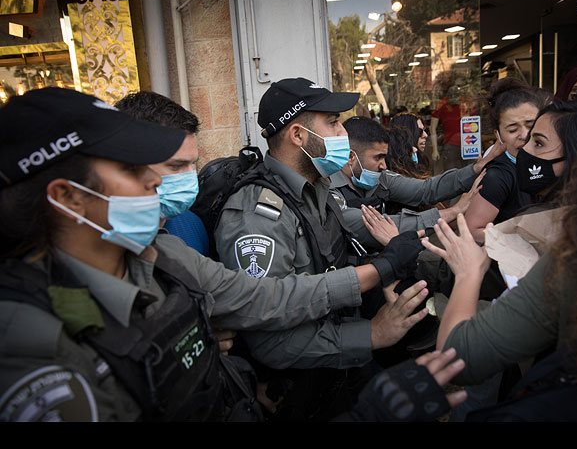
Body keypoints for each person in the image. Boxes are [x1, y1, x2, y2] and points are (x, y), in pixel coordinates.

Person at [0, 87, 419, 422]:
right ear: (70, 199)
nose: (154, 180)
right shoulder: (31, 351)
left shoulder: (163, 254)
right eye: (131, 168)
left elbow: (261, 298)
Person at [212, 77, 429, 421]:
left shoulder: (317, 189)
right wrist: (371, 334)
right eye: (332, 122)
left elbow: (341, 251)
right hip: (304, 393)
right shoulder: (258, 215)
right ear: (298, 135)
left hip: (339, 374)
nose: (343, 132)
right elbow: (270, 342)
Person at [426, 100, 577, 421]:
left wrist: (469, 272)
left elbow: (459, 354)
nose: (525, 148)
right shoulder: (504, 180)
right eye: (519, 134)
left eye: (538, 141)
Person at [330, 116, 490, 245]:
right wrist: (453, 211)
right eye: (378, 157)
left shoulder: (381, 178)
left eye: (384, 157)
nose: (383, 165)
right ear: (351, 157)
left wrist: (474, 170)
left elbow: (426, 189)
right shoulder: (329, 190)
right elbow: (384, 225)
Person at [114, 91, 208, 256]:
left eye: (192, 164)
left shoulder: (192, 224)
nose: (190, 176)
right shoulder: (104, 241)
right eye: (176, 166)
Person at [464, 78, 547, 243]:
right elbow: (472, 230)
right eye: (513, 129)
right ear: (498, 135)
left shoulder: (554, 162)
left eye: (530, 125)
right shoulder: (498, 176)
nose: (524, 135)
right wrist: (520, 240)